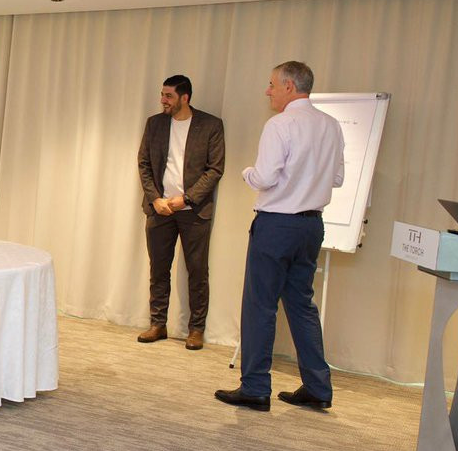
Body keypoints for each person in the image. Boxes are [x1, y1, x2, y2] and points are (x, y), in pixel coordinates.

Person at [216, 61, 345, 412]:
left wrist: (247, 172)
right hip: (311, 227)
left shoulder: (280, 124)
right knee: (302, 305)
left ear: (289, 86)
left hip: (276, 226)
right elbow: (337, 179)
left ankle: (255, 387)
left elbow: (265, 177)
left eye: (272, 84)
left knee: (260, 305)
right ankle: (318, 387)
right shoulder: (331, 125)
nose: (268, 91)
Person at [136, 75, 225, 350]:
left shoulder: (210, 125)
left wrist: (185, 199)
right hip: (159, 209)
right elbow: (143, 163)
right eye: (162, 94)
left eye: (169, 96)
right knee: (158, 268)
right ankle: (157, 323)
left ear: (184, 98)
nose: (163, 100)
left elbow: (215, 169)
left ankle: (196, 329)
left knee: (197, 271)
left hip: (194, 211)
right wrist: (155, 199)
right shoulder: (155, 124)